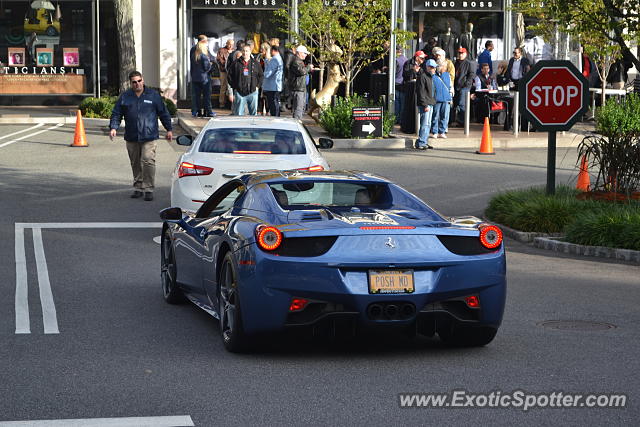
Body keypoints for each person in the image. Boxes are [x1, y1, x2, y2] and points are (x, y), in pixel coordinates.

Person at [109, 71, 172, 201]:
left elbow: (163, 113)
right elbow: (117, 113)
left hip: (149, 135)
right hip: (132, 135)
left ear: (143, 80)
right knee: (135, 162)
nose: (137, 84)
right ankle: (138, 187)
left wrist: (169, 129)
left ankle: (148, 188)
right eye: (134, 82)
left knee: (148, 160)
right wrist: (114, 127)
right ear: (130, 83)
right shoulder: (125, 97)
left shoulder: (153, 96)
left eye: (139, 81)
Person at [228, 44, 263, 115]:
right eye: (243, 51)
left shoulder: (256, 63)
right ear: (241, 52)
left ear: (250, 52)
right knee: (239, 114)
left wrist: (257, 87)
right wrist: (235, 87)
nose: (245, 53)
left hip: (253, 92)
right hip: (240, 93)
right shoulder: (235, 63)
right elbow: (229, 76)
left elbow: (261, 76)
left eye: (247, 51)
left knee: (253, 115)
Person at [415, 59, 437, 150]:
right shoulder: (422, 77)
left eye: (434, 67)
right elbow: (421, 92)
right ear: (427, 67)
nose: (433, 69)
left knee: (428, 124)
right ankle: (421, 142)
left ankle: (424, 141)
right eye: (431, 67)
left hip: (430, 103)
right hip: (426, 104)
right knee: (425, 123)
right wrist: (425, 104)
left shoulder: (431, 77)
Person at [453, 47, 475, 126]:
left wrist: (466, 83)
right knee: (456, 104)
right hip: (456, 86)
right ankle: (458, 121)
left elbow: (471, 74)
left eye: (462, 53)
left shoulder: (469, 63)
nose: (460, 55)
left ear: (465, 54)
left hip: (464, 86)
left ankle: (463, 122)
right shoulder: (456, 62)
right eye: (459, 53)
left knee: (462, 104)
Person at [289, 45, 313, 119]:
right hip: (298, 89)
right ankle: (297, 124)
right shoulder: (296, 61)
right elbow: (302, 71)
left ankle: (298, 123)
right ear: (299, 53)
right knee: (298, 109)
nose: (306, 55)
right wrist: (309, 67)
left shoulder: (299, 61)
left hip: (301, 88)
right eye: (304, 53)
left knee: (301, 107)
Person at [190, 40, 213, 117]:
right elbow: (207, 68)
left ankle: (197, 111)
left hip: (195, 79)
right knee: (206, 96)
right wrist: (211, 65)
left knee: (197, 97)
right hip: (204, 79)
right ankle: (208, 112)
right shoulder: (204, 56)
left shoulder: (194, 56)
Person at [431, 63, 453, 139]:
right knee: (435, 116)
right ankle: (435, 131)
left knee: (445, 116)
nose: (444, 68)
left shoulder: (447, 75)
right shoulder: (434, 76)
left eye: (444, 66)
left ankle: (442, 131)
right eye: (442, 66)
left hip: (446, 99)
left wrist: (451, 98)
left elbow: (451, 87)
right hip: (437, 99)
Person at [263, 45, 283, 116]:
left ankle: (275, 117)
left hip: (272, 86)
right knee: (275, 103)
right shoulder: (278, 58)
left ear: (273, 51)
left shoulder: (275, 59)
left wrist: (263, 74)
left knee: (273, 104)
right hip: (275, 85)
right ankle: (276, 116)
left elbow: (269, 72)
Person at [217, 39, 234, 109]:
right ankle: (222, 103)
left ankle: (231, 103)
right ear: (226, 44)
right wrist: (226, 63)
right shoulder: (222, 50)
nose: (230, 46)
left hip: (231, 72)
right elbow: (219, 59)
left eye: (232, 44)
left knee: (231, 87)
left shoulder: (234, 51)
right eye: (229, 44)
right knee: (223, 87)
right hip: (223, 71)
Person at [394, 47, 408, 124]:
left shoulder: (396, 60)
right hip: (403, 83)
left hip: (396, 82)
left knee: (396, 102)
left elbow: (394, 71)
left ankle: (396, 118)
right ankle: (402, 119)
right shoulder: (406, 59)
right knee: (402, 102)